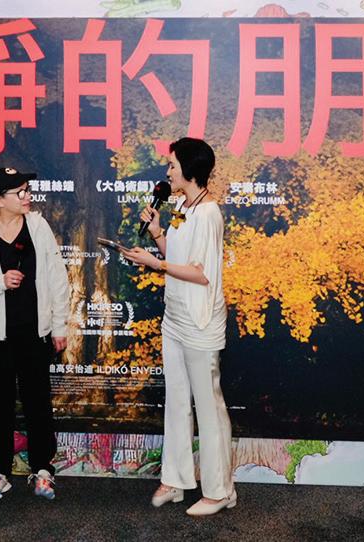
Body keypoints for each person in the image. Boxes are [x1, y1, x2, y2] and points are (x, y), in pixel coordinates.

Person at [121, 137, 235, 516]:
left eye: (172, 165)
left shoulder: (209, 213)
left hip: (200, 321)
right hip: (175, 318)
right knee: (177, 401)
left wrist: (154, 264)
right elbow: (178, 256)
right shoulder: (183, 206)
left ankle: (220, 491)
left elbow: (200, 273)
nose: (167, 172)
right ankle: (175, 479)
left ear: (189, 169)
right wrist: (156, 233)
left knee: (208, 407)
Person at [0, 167, 69, 501]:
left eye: (27, 189)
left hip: (35, 331)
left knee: (38, 401)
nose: (27, 196)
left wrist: (59, 325)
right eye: (19, 192)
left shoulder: (38, 226)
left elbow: (58, 277)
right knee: (0, 403)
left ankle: (43, 470)